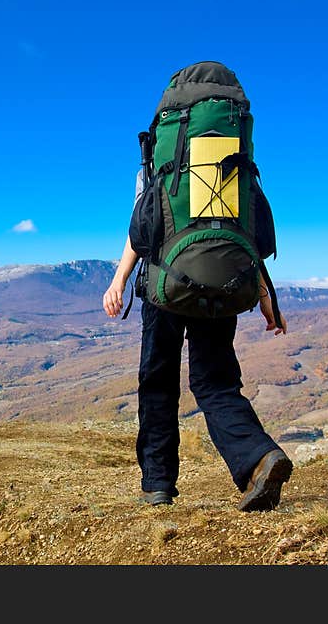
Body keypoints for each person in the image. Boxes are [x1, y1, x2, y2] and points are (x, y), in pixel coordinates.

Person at [102, 169, 293, 512]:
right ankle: (259, 457)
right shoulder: (233, 162)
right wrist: (266, 299)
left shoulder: (156, 165)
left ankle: (157, 485)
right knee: (217, 383)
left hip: (165, 287)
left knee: (158, 383)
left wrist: (118, 281)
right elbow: (248, 236)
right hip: (224, 286)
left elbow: (140, 228)